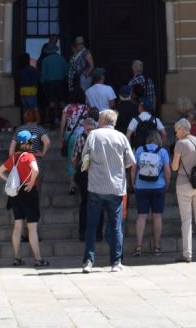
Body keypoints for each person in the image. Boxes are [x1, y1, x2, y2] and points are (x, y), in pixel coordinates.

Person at [81, 107, 135, 273]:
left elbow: (84, 158)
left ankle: (89, 261)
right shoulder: (121, 137)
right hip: (116, 187)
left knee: (91, 226)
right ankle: (116, 262)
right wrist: (116, 167)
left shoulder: (93, 135)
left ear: (101, 121)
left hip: (96, 186)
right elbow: (130, 161)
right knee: (115, 226)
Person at [0, 128, 46, 266]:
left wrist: (8, 181)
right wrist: (31, 182)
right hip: (29, 193)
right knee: (32, 227)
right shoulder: (29, 156)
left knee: (17, 226)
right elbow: (35, 170)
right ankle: (38, 259)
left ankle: (17, 258)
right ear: (28, 142)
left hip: (16, 193)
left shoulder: (13, 157)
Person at [171, 117, 196, 263]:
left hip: (184, 185)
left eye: (176, 131)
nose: (175, 134)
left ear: (182, 129)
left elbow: (174, 167)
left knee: (186, 220)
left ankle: (187, 255)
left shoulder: (180, 144)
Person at [129, 126, 170, 256]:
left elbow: (133, 168)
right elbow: (167, 170)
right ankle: (157, 247)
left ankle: (138, 247)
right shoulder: (162, 151)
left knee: (141, 216)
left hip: (141, 186)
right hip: (158, 187)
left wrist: (133, 182)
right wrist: (167, 183)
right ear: (158, 140)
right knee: (157, 216)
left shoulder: (140, 150)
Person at [69, 107, 102, 241]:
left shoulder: (80, 138)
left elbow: (73, 158)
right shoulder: (99, 139)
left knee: (84, 203)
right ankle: (98, 234)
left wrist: (77, 168)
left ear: (84, 127)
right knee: (98, 204)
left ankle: (83, 232)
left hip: (84, 173)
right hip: (98, 174)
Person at [38, 37, 68, 127]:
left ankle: (52, 123)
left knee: (51, 103)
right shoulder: (62, 59)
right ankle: (64, 121)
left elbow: (43, 75)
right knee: (62, 102)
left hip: (49, 84)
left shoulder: (45, 60)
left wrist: (42, 84)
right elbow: (66, 72)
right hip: (60, 82)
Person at [17, 52, 39, 117]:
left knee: (26, 111)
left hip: (22, 92)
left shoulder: (20, 70)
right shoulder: (30, 69)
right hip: (31, 91)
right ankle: (34, 125)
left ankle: (26, 125)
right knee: (34, 110)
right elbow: (38, 76)